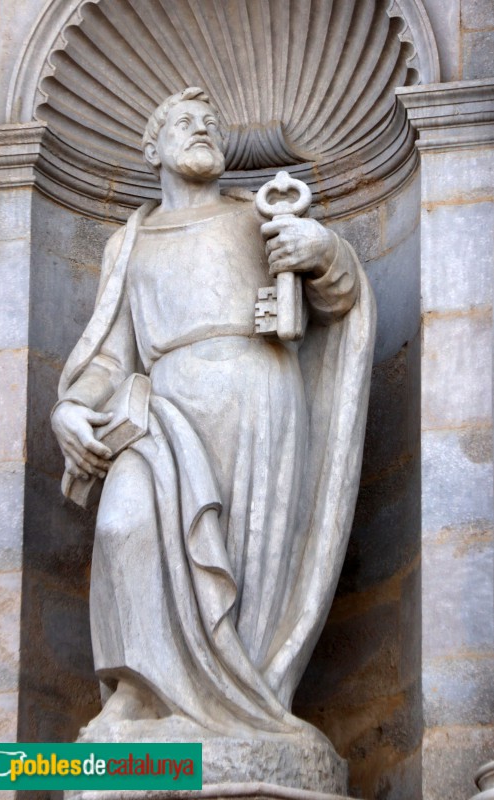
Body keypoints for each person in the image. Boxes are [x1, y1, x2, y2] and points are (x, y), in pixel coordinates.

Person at [51, 87, 376, 744]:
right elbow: (111, 353)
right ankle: (138, 696)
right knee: (122, 525)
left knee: (244, 556)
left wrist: (322, 252)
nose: (202, 129)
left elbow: (337, 299)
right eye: (184, 122)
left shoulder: (252, 218)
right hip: (163, 407)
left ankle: (242, 705)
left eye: (210, 123)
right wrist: (71, 408)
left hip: (256, 397)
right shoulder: (130, 240)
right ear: (151, 148)